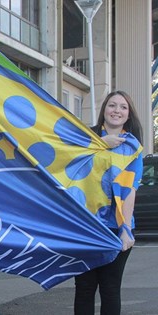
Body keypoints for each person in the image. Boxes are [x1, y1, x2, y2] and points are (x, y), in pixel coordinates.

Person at [74, 90, 144, 315]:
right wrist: (101, 143)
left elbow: (130, 190)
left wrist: (126, 229)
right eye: (112, 105)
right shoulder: (86, 138)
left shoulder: (134, 148)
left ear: (128, 114)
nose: (117, 110)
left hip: (116, 226)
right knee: (84, 288)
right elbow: (69, 165)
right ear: (104, 109)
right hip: (86, 224)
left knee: (111, 288)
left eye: (123, 107)